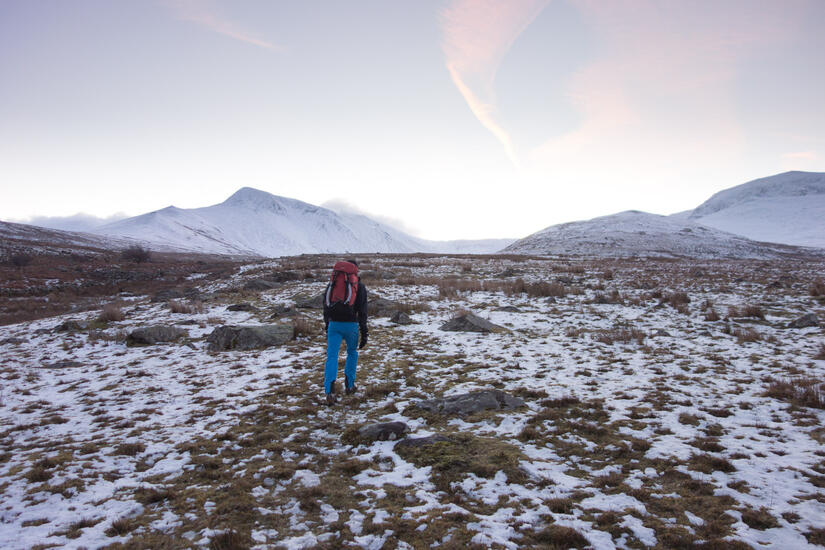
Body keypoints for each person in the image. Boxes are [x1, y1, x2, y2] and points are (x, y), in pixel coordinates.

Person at [323, 259, 368, 405]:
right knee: (352, 353)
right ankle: (349, 385)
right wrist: (364, 331)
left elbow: (325, 306)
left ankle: (329, 391)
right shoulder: (359, 287)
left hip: (334, 324)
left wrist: (327, 324)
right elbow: (362, 311)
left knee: (331, 356)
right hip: (351, 325)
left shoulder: (333, 284)